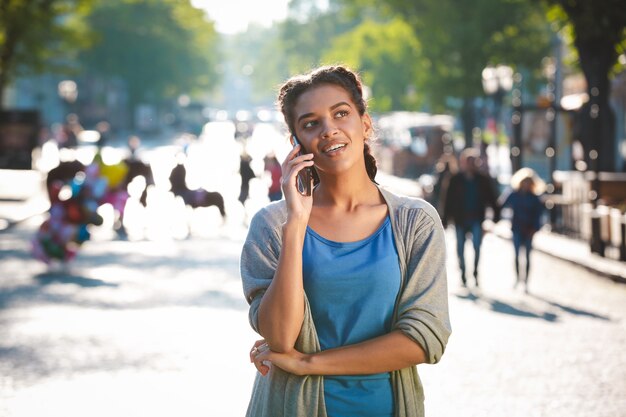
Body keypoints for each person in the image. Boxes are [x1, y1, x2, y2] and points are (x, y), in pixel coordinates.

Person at [240, 65, 451, 417]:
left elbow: (424, 338)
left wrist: (308, 363)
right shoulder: (273, 225)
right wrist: (296, 224)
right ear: (296, 142)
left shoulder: (415, 222)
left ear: (365, 123)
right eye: (311, 123)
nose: (329, 129)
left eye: (341, 113)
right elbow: (279, 338)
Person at [442, 148, 499, 287]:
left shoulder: (483, 180)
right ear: (463, 163)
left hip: (476, 218)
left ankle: (475, 272)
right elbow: (447, 200)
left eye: (474, 162)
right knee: (460, 248)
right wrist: (444, 219)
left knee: (477, 247)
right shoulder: (455, 179)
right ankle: (463, 273)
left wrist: (496, 215)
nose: (471, 164)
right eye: (469, 161)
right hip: (460, 219)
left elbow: (491, 198)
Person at [499, 168, 546, 293]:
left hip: (529, 230)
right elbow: (501, 205)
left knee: (528, 256)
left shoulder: (535, 198)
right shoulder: (514, 195)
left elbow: (539, 215)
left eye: (528, 182)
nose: (526, 184)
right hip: (517, 229)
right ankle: (517, 278)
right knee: (516, 255)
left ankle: (525, 281)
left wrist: (535, 229)